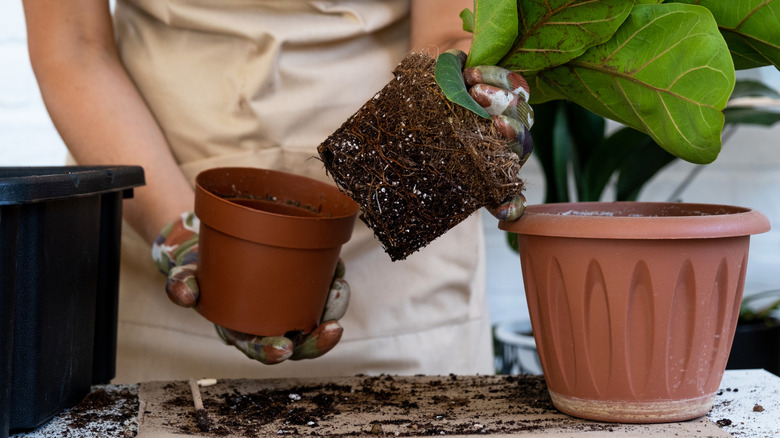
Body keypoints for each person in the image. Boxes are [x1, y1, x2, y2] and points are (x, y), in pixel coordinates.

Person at [22, 0, 533, 383]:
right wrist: (180, 232)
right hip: (154, 211)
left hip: (393, 269)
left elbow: (451, 25)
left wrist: (463, 105)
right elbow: (74, 44)